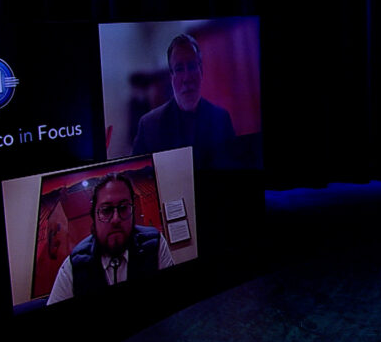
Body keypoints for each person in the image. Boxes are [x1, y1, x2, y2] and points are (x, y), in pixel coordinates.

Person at [46, 172, 174, 305]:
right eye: (106, 210)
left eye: (123, 208)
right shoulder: (73, 266)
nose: (116, 219)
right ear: (94, 217)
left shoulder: (155, 244)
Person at [131, 34, 239, 169]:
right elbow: (137, 178)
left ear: (201, 71)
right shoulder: (148, 125)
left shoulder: (221, 119)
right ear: (171, 77)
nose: (187, 78)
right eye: (179, 69)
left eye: (192, 66)